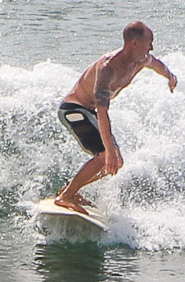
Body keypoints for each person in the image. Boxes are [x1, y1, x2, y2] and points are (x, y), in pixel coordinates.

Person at [54, 21, 177, 215]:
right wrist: (109, 150)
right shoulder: (108, 68)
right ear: (134, 43)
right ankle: (66, 197)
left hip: (89, 112)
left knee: (116, 163)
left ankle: (69, 190)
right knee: (105, 157)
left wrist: (170, 77)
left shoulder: (141, 60)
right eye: (148, 42)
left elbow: (157, 65)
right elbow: (103, 112)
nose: (151, 47)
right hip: (73, 110)